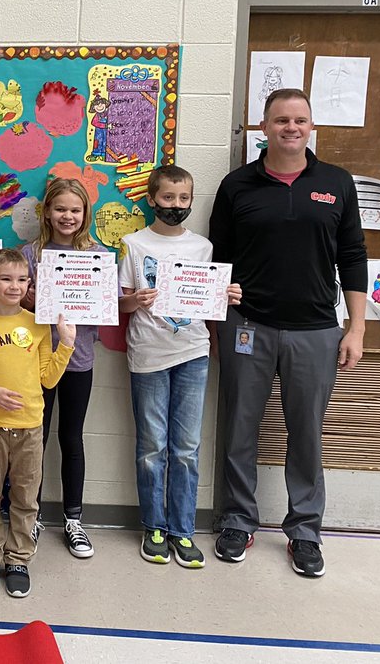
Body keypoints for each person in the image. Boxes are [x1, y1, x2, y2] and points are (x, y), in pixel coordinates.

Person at [210, 88, 367, 579]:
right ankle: (237, 519)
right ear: (264, 127)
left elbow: (354, 257)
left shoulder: (337, 183)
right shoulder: (237, 186)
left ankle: (304, 531)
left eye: (300, 120)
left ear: (311, 125)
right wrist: (220, 310)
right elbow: (217, 260)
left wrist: (355, 328)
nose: (291, 128)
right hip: (248, 326)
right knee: (239, 428)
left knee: (306, 434)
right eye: (281, 120)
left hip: (317, 330)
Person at [119, 165, 241, 569]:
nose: (175, 206)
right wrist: (137, 300)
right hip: (148, 353)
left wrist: (226, 295)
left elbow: (208, 299)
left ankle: (183, 530)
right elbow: (118, 304)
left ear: (191, 200)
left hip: (193, 352)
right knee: (152, 446)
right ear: (151, 199)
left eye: (183, 199)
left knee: (186, 449)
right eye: (168, 198)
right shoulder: (132, 244)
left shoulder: (203, 247)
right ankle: (154, 527)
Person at [0, 248, 75, 599]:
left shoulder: (37, 323)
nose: (15, 286)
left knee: (25, 497)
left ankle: (19, 558)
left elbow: (48, 379)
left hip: (29, 427)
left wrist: (65, 344)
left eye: (22, 280)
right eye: (6, 279)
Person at [20, 178, 110, 560]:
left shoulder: (98, 254)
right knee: (33, 441)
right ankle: (31, 516)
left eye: (75, 210)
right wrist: (27, 297)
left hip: (77, 361)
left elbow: (107, 307)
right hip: (35, 361)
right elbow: (14, 303)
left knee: (71, 438)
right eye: (60, 209)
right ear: (47, 212)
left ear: (85, 214)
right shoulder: (30, 253)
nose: (67, 216)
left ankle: (74, 519)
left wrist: (124, 300)